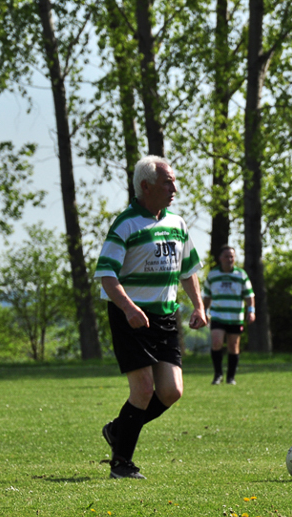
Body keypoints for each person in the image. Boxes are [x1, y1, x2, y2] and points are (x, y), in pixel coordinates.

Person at [95, 155, 207, 479]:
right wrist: (129, 307)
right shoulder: (126, 224)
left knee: (171, 391)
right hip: (131, 317)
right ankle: (121, 464)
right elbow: (106, 275)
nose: (174, 189)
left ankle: (118, 429)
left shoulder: (177, 224)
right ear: (146, 186)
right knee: (143, 390)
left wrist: (198, 306)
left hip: (165, 318)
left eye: (173, 182)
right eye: (167, 182)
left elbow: (188, 270)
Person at [202, 245, 255, 385]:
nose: (229, 259)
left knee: (233, 346)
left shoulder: (241, 275)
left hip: (235, 317)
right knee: (216, 342)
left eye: (232, 256)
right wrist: (204, 312)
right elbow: (207, 296)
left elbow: (249, 295)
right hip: (218, 315)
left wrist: (251, 311)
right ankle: (218, 374)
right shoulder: (213, 275)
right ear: (220, 258)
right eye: (226, 256)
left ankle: (231, 377)